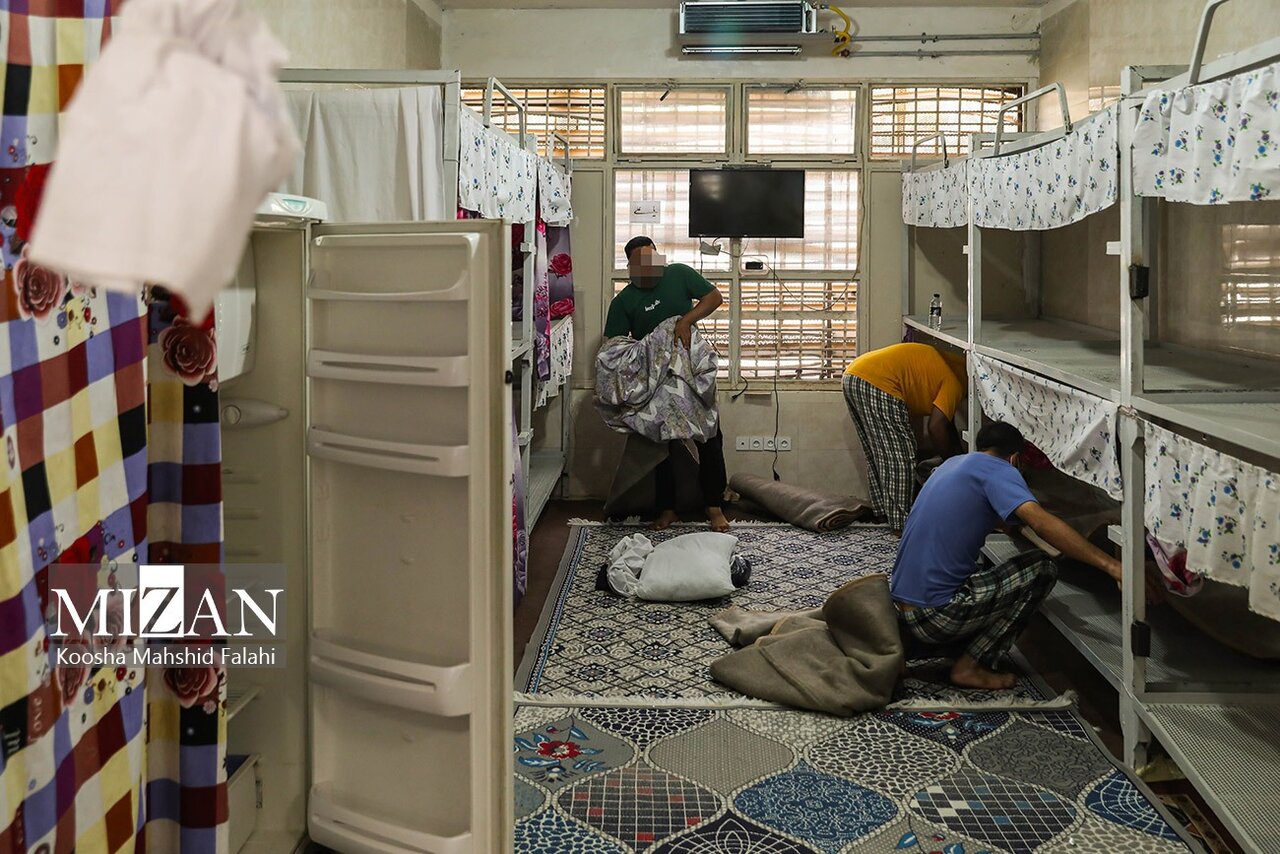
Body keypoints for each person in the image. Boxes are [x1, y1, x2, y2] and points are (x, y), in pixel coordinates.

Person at [891, 421, 1123, 690]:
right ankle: (970, 666)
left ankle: (908, 648)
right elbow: (1041, 523)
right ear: (1014, 458)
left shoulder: (953, 465)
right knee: (1042, 568)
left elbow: (1004, 521)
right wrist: (1111, 565)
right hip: (937, 616)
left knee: (977, 572)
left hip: (903, 613)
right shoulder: (1000, 470)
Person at [604, 236, 729, 532]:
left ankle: (714, 507)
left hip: (690, 371)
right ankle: (667, 508)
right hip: (656, 379)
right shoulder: (624, 301)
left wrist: (684, 322)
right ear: (631, 267)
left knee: (709, 437)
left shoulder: (679, 274)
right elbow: (614, 347)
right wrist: (651, 346)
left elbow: (714, 298)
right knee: (663, 445)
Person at [842, 342, 965, 532]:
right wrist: (953, 464)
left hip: (854, 373)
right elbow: (936, 427)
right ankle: (901, 524)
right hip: (878, 380)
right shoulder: (956, 382)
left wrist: (958, 458)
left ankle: (883, 512)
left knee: (878, 452)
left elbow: (947, 424)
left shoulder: (948, 368)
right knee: (901, 456)